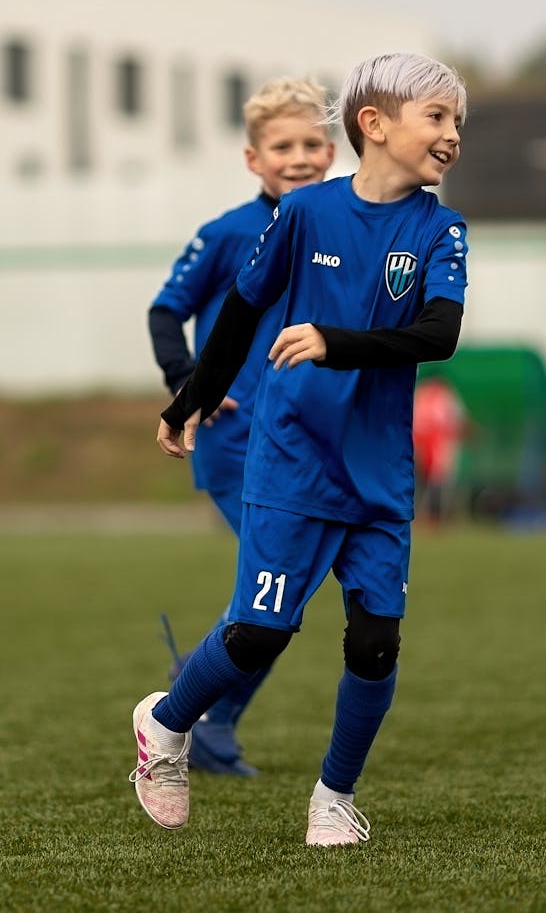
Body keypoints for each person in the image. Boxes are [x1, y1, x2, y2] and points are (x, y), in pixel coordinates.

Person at [130, 52, 469, 846]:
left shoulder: (441, 228)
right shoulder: (306, 213)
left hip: (380, 469)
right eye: (438, 117)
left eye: (458, 121)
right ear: (374, 125)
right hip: (291, 456)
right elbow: (240, 315)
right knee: (262, 630)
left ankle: (332, 798)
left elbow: (438, 334)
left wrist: (329, 340)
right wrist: (189, 400)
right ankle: (167, 723)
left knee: (376, 641)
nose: (452, 134)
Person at [147, 77, 335, 775]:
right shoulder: (227, 233)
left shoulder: (343, 225)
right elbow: (166, 311)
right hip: (236, 441)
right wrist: (188, 384)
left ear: (333, 150)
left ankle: (203, 702)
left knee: (282, 597)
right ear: (253, 158)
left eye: (312, 143)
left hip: (315, 443)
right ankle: (200, 715)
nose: (299, 156)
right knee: (274, 595)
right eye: (281, 145)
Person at [412, 374, 468, 523]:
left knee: (425, 481)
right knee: (436, 480)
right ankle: (432, 516)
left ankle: (428, 516)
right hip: (436, 444)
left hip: (419, 443)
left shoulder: (420, 393)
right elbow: (457, 422)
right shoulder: (445, 396)